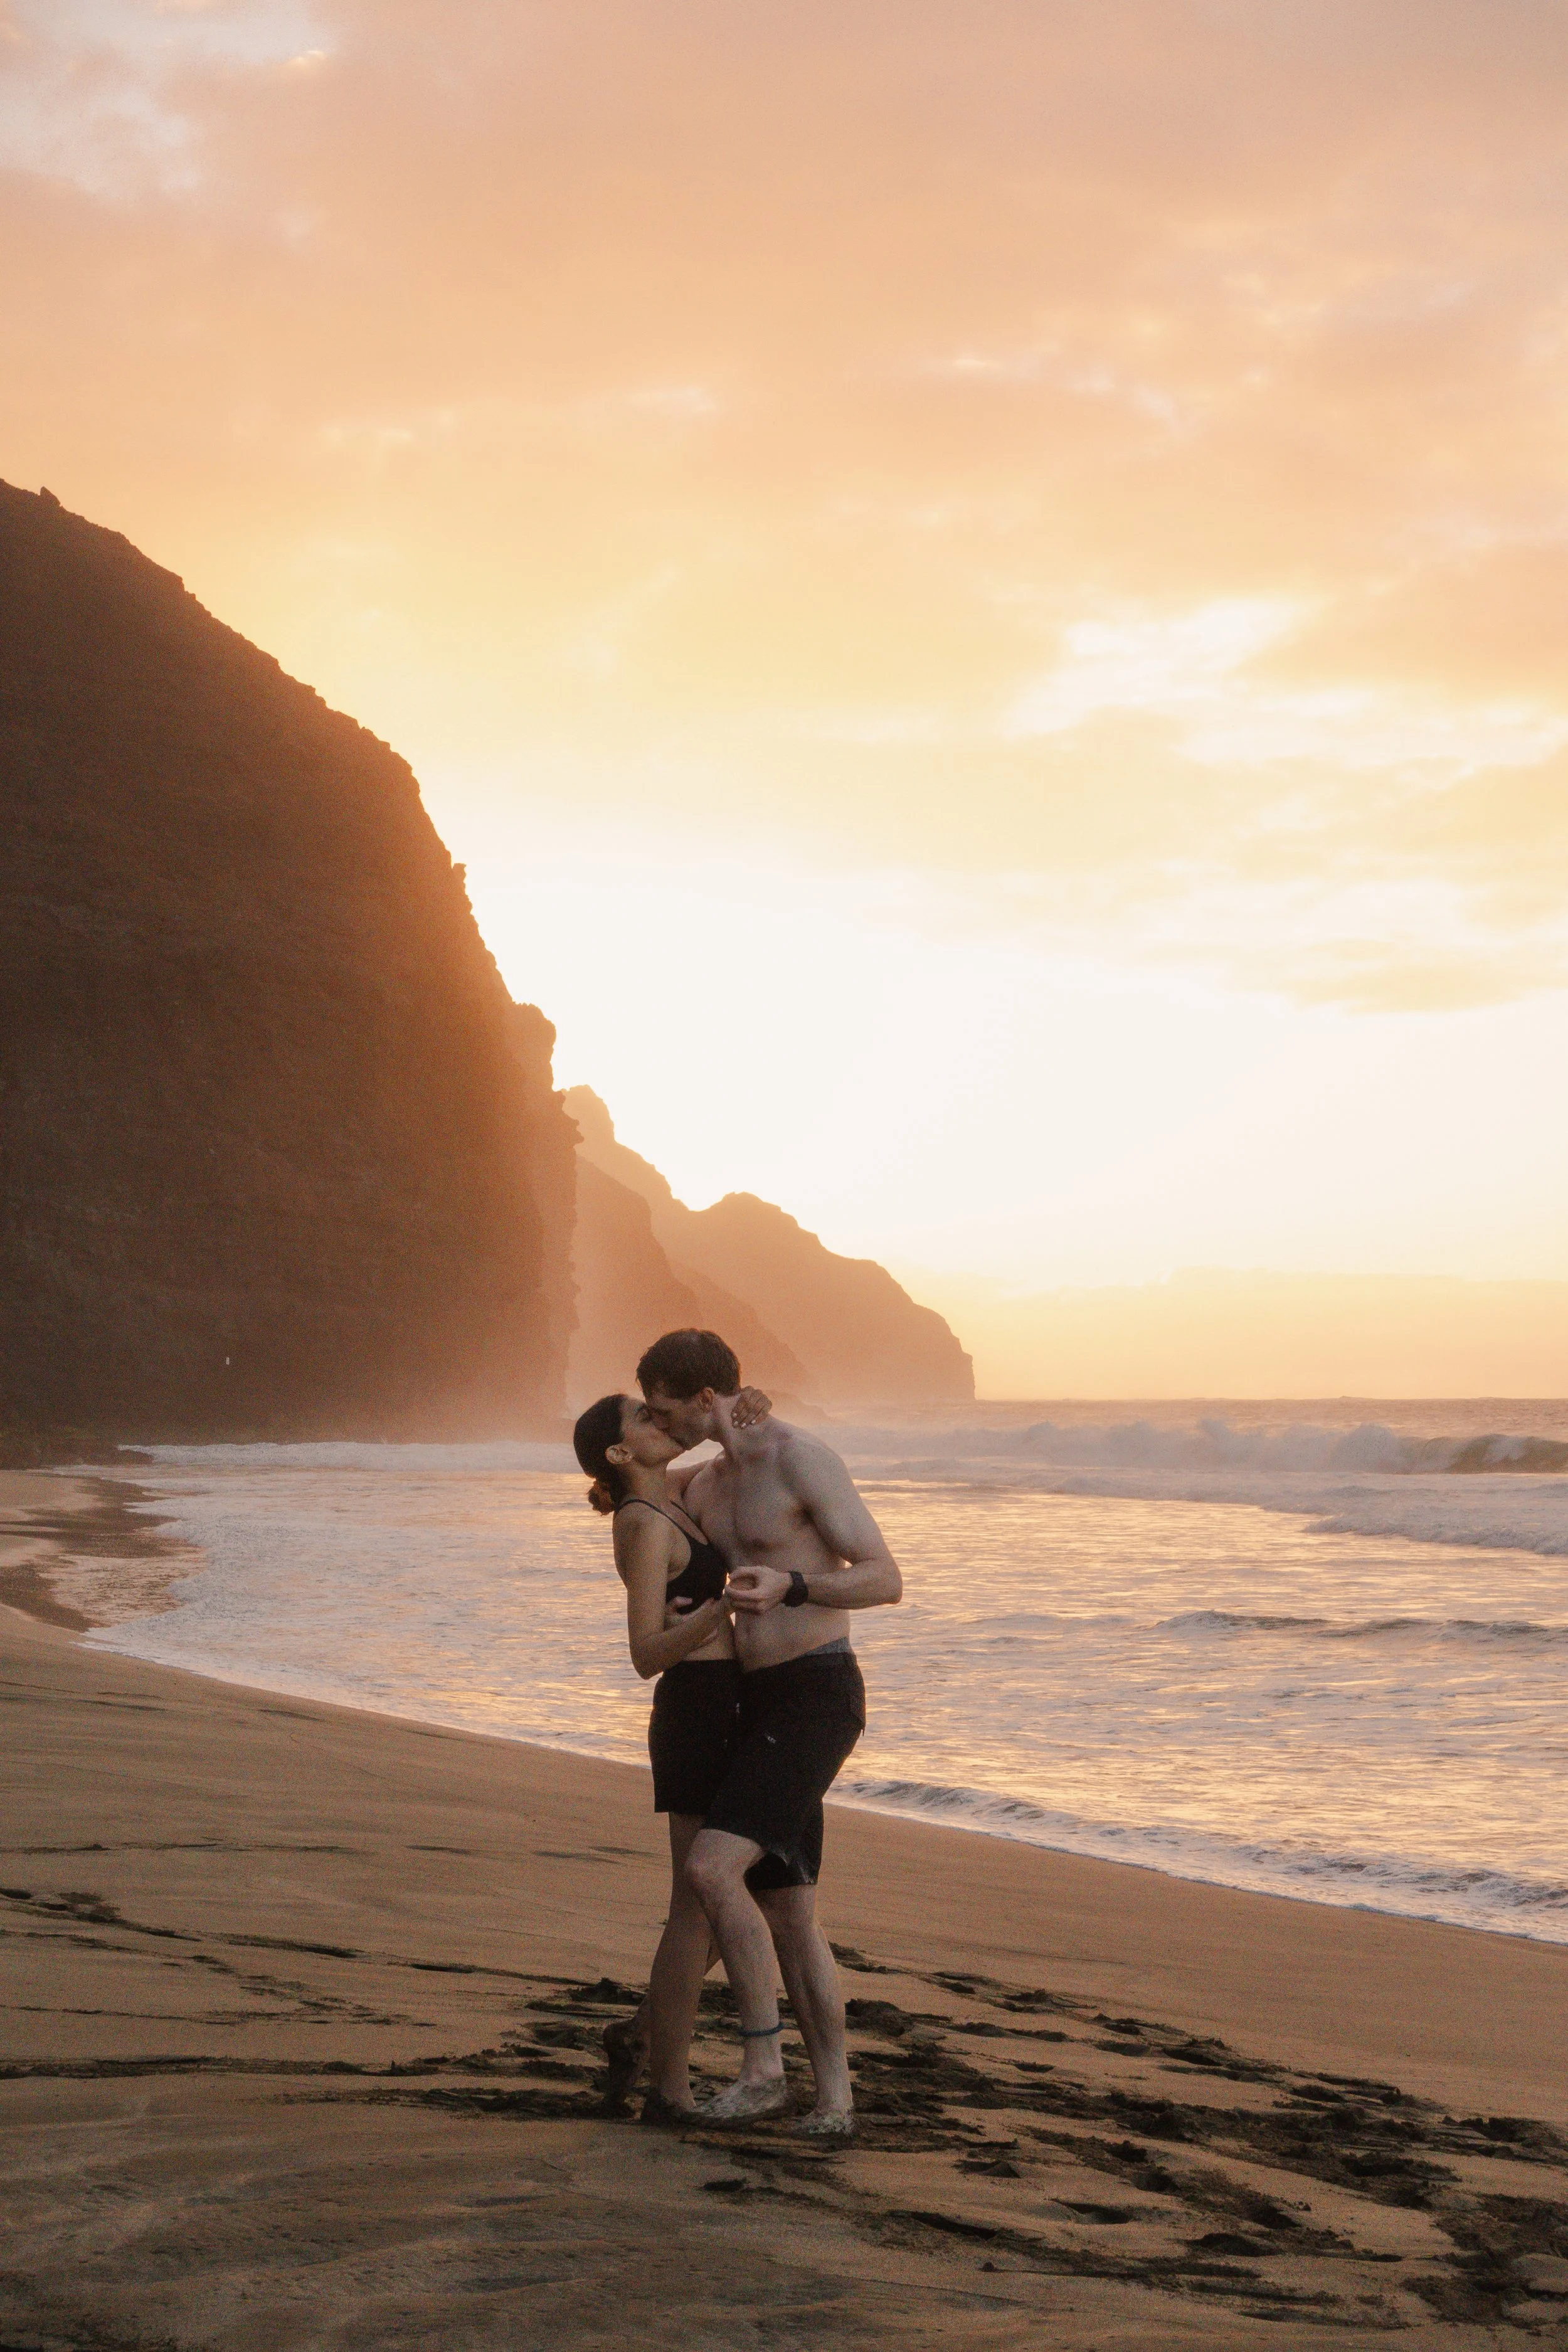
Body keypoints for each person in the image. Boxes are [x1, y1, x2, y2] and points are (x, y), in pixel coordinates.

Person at [637, 1328, 903, 2137]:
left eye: (666, 1410)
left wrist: (792, 1584)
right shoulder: (705, 1483)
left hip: (816, 1694)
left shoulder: (799, 1459)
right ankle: (836, 2103)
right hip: (753, 1706)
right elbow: (634, 1494)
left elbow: (885, 1578)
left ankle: (762, 2071)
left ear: (704, 1398)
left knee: (713, 1870)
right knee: (789, 1912)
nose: (661, 1424)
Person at [569, 1384, 768, 2122]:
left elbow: (722, 1457)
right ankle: (669, 2091)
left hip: (725, 1707)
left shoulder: (669, 1497)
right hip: (695, 1712)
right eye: (644, 1418)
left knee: (732, 1898)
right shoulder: (643, 1521)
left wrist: (745, 1407)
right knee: (694, 1911)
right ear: (622, 1451)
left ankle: (640, 2033)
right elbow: (644, 1653)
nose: (660, 1420)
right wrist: (717, 1612)